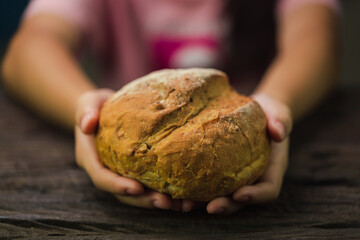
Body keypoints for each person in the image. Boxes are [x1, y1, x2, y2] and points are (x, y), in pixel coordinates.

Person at [1, 0, 340, 214]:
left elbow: (318, 38)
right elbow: (27, 50)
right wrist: (84, 106)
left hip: (250, 126)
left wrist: (277, 103)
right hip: (128, 134)